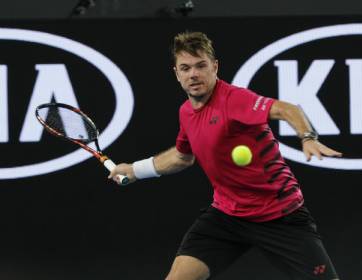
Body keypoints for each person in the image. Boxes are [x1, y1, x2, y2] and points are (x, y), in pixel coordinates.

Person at [109, 31, 342, 280]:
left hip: (279, 215)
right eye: (185, 68)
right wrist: (135, 170)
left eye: (201, 66)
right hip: (227, 216)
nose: (193, 74)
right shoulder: (186, 112)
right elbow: (182, 157)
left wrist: (307, 137)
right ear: (176, 74)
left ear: (215, 67)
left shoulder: (234, 99)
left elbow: (288, 109)